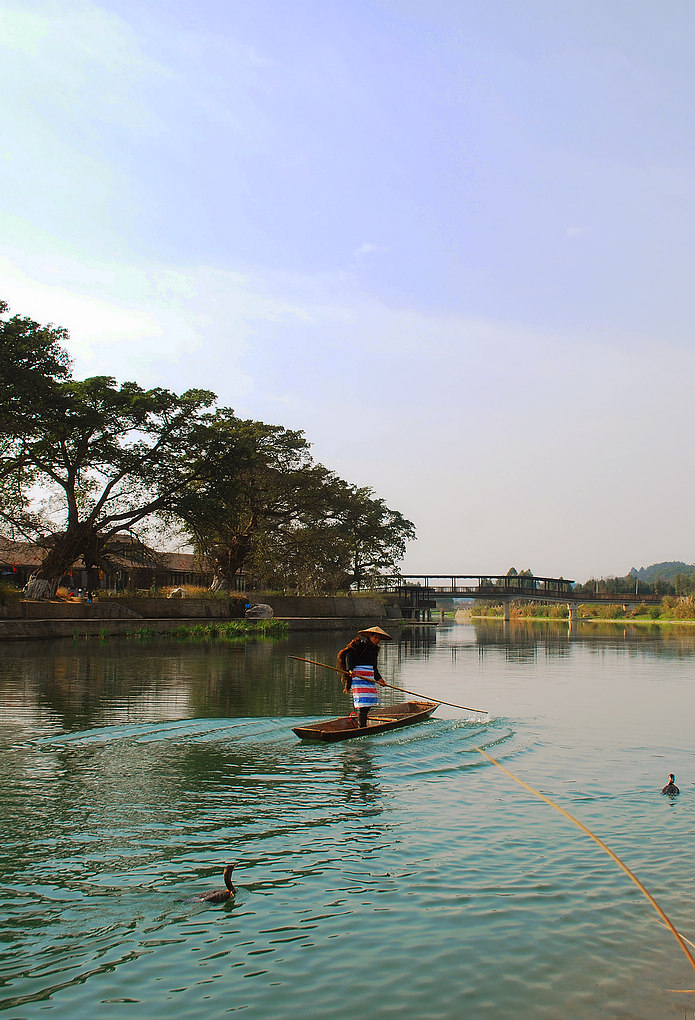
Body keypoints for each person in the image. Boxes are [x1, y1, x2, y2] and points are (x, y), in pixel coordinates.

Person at [338, 626, 392, 728]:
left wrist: (379, 679)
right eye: (375, 638)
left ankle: (362, 722)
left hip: (369, 677)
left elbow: (374, 667)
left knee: (369, 701)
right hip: (359, 677)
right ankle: (362, 726)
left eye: (378, 638)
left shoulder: (374, 651)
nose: (377, 640)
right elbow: (348, 655)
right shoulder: (361, 645)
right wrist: (350, 670)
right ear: (370, 636)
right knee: (363, 702)